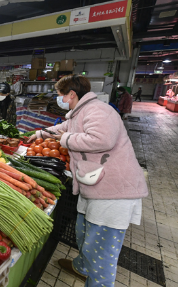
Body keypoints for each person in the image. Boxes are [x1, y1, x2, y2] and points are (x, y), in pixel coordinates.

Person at [28, 75, 148, 287]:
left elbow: (102, 139)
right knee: (83, 232)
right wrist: (41, 133)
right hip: (94, 184)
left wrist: (64, 139)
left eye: (60, 95)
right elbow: (66, 127)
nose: (59, 99)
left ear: (71, 94)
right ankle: (83, 268)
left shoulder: (98, 111)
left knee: (102, 249)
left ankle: (98, 281)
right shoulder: (81, 112)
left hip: (113, 190)